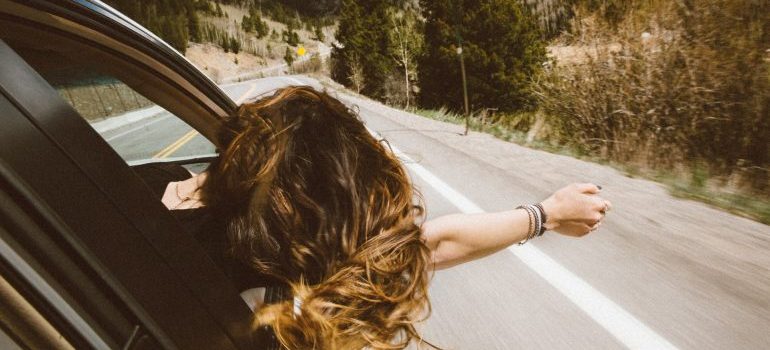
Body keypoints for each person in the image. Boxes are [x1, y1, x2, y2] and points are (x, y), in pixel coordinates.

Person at [134, 86, 611, 349]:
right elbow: (430, 245)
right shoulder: (259, 261)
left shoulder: (139, 183)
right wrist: (546, 214)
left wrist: (546, 214)